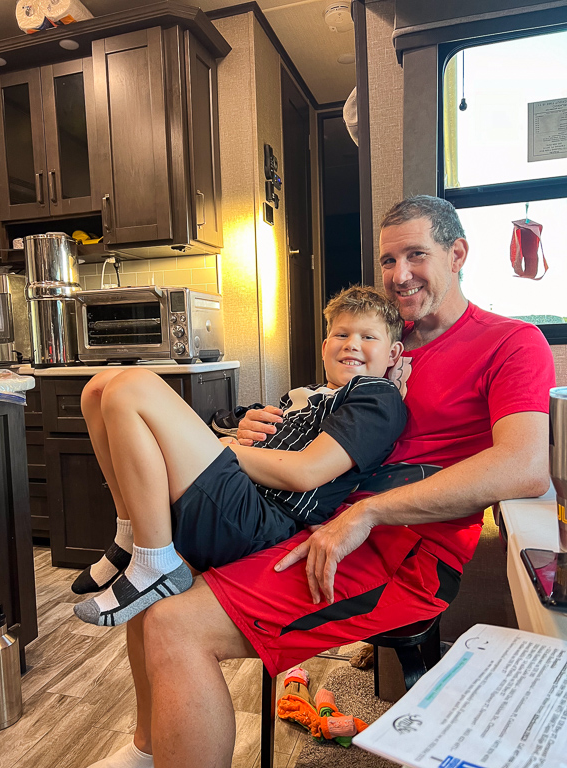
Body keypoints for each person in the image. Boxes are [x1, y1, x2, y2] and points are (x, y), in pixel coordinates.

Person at [86, 196, 554, 768]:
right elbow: (326, 429)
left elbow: (524, 465)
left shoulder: (510, 341)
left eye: (416, 255)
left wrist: (368, 512)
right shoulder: (381, 343)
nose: (399, 275)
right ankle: (147, 750)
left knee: (175, 623)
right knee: (151, 593)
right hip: (311, 515)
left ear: (457, 254)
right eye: (388, 260)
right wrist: (263, 431)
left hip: (403, 553)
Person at [73, 286, 407, 627]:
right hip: (238, 493)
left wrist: (227, 448)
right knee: (98, 387)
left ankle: (156, 563)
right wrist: (237, 432)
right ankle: (129, 532)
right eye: (341, 334)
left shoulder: (376, 394)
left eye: (368, 336)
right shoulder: (306, 394)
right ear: (324, 348)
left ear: (393, 353)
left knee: (132, 385)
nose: (351, 344)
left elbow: (306, 473)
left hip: (259, 518)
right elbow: (247, 434)